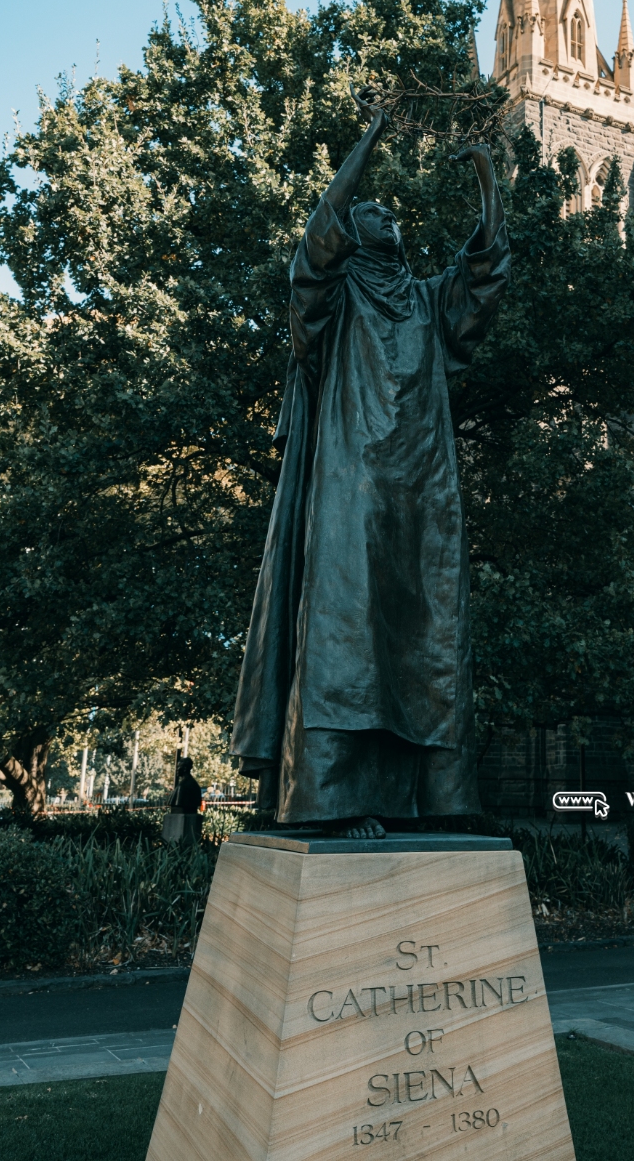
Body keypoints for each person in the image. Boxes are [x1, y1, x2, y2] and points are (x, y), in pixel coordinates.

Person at [231, 88, 510, 838]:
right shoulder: (331, 296)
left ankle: (428, 799)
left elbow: (482, 278)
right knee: (345, 633)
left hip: (422, 490)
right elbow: (314, 241)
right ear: (353, 234)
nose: (391, 217)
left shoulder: (421, 299)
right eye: (376, 212)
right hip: (350, 484)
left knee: (427, 635)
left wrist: (486, 179)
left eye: (394, 215)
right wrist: (372, 135)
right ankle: (336, 800)